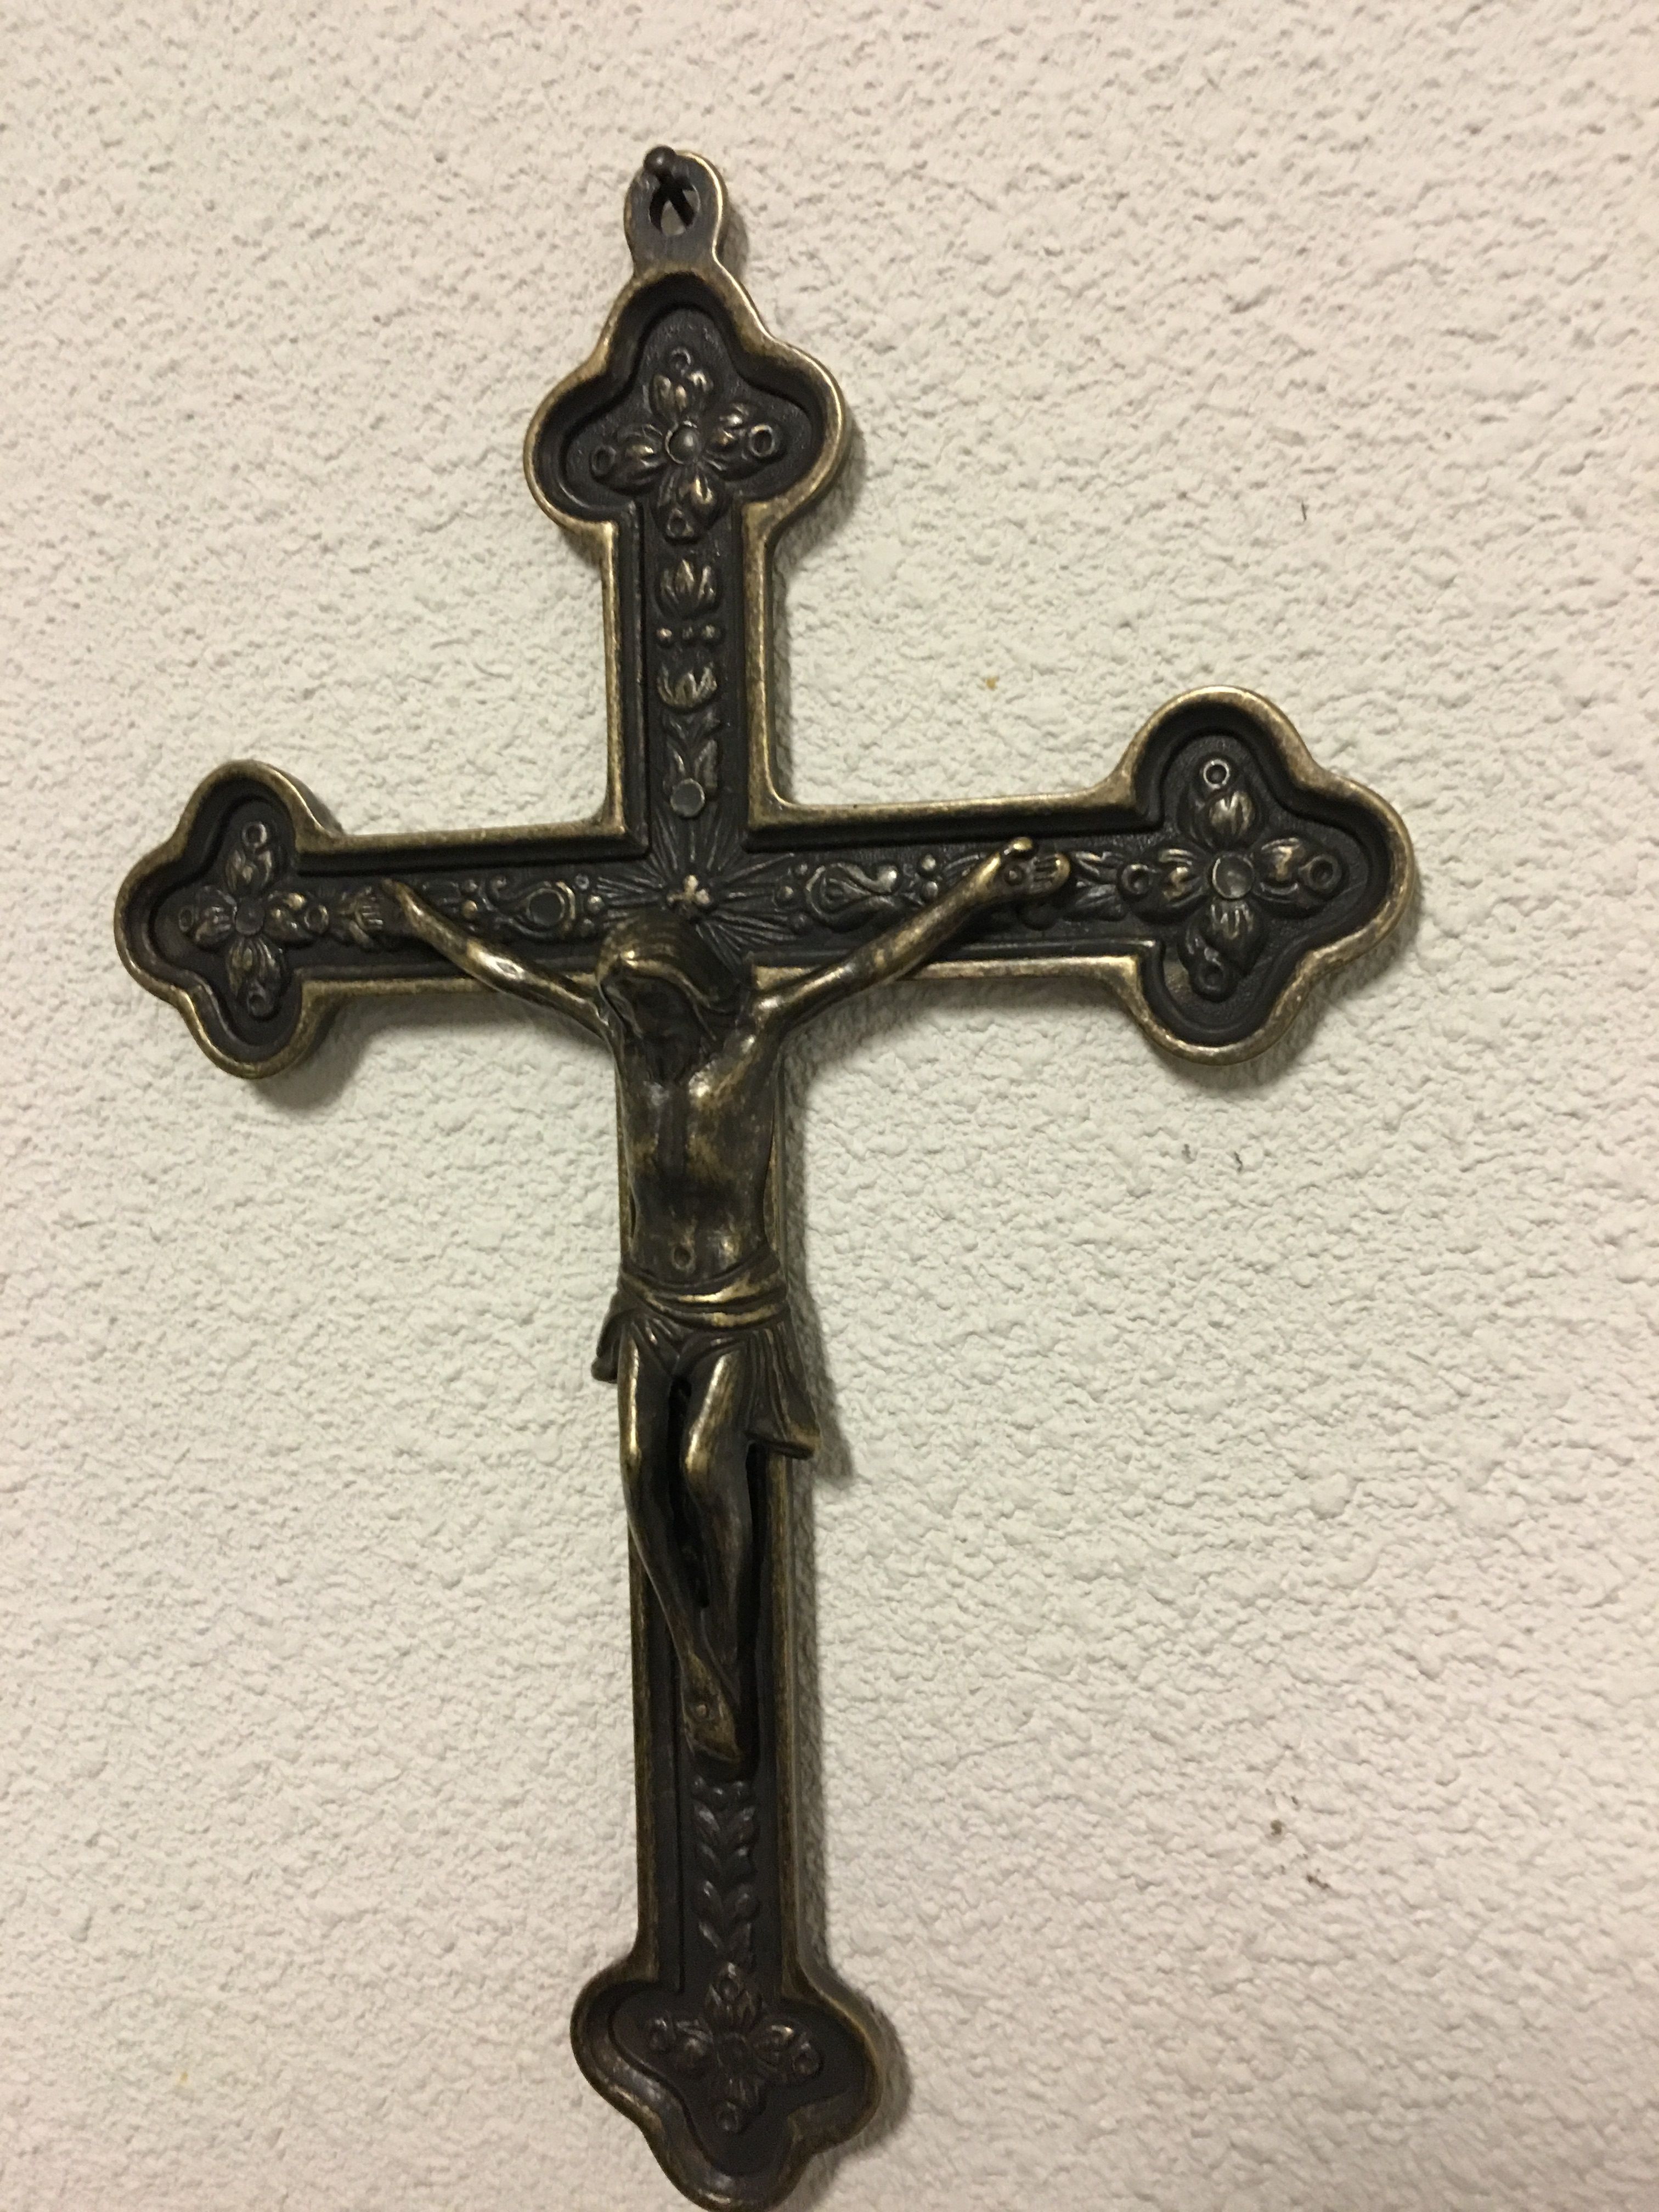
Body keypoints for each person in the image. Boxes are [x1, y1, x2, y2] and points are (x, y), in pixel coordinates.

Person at [383, 838, 1066, 1768]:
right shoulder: (628, 1047)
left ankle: (726, 1656)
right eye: (627, 1005)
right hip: (648, 1300)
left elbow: (869, 965)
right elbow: (516, 975)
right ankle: (699, 1661)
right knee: (639, 1467)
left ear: (691, 993)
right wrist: (422, 924)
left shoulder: (756, 1035)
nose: (638, 1020)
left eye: (651, 1003)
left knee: (708, 1469)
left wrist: (977, 895)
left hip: (736, 1305)